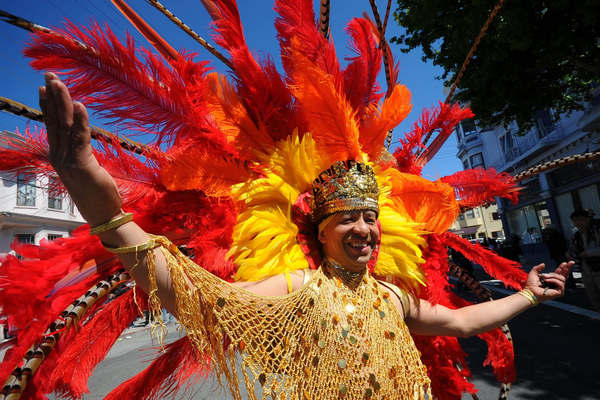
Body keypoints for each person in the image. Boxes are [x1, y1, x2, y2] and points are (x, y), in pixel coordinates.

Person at [38, 72, 572, 399]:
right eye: (348, 219)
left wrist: (527, 295)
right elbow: (200, 301)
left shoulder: (387, 295)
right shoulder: (297, 287)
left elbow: (457, 321)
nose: (364, 229)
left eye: (370, 217)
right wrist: (103, 208)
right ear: (320, 231)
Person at [568, 209, 600, 310]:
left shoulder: (597, 230)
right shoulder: (576, 236)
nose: (578, 223)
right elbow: (574, 251)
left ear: (587, 219)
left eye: (581, 220)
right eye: (575, 221)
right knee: (593, 295)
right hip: (586, 270)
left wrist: (588, 253)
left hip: (598, 268)